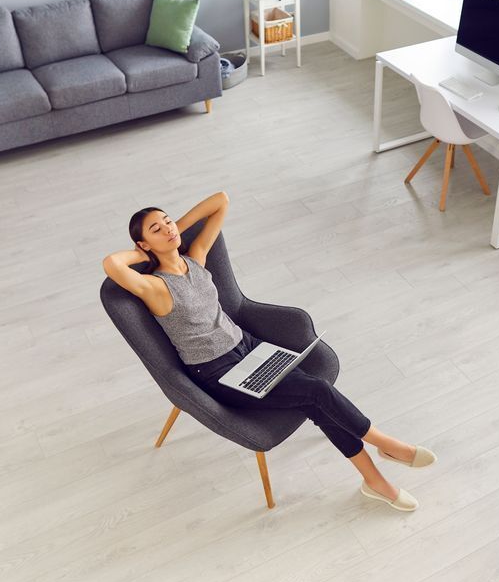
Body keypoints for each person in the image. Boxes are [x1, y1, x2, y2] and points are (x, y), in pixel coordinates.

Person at [102, 191, 436, 511]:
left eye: (168, 221)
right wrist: (144, 253)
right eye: (156, 229)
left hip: (248, 347)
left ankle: (375, 481)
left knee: (317, 402)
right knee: (318, 391)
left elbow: (221, 200)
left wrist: (172, 233)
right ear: (144, 243)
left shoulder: (197, 259)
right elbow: (112, 264)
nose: (169, 228)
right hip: (217, 373)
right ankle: (386, 445)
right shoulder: (155, 287)